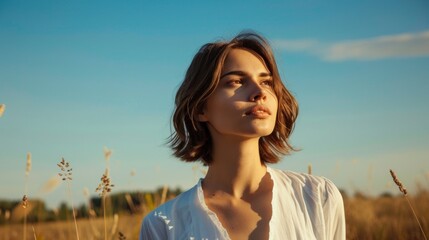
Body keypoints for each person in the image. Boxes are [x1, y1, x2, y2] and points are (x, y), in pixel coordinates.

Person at [140, 32, 346, 240]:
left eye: (266, 82)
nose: (259, 92)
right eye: (237, 82)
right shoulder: (163, 225)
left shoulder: (317, 197)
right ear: (200, 108)